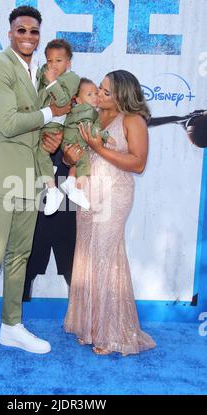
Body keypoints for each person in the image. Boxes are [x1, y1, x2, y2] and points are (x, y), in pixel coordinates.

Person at [0, 6, 70, 377]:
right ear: (10, 33)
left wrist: (47, 172)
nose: (28, 35)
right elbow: (10, 124)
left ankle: (11, 327)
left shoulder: (37, 72)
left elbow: (41, 135)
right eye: (21, 29)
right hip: (1, 175)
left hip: (28, 177)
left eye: (34, 31)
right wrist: (49, 115)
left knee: (19, 256)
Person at [63, 70, 156, 356]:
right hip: (87, 194)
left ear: (121, 95)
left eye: (105, 91)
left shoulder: (132, 120)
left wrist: (97, 147)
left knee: (105, 256)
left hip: (114, 195)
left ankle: (112, 333)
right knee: (86, 255)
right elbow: (73, 155)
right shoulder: (90, 115)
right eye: (99, 90)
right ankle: (89, 327)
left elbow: (138, 163)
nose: (99, 95)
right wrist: (71, 154)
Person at [37, 39, 80, 215]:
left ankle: (53, 191)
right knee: (39, 154)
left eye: (59, 60)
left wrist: (52, 82)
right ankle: (48, 171)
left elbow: (62, 102)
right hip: (41, 122)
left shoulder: (72, 78)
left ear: (68, 63)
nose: (53, 65)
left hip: (55, 125)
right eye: (49, 60)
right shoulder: (44, 77)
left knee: (41, 152)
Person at [61, 78, 110, 210]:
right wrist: (105, 136)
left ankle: (70, 181)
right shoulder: (89, 111)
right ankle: (78, 190)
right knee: (84, 165)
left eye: (95, 93)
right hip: (77, 142)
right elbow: (92, 130)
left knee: (77, 162)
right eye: (89, 95)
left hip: (71, 142)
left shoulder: (77, 110)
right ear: (78, 99)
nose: (95, 97)